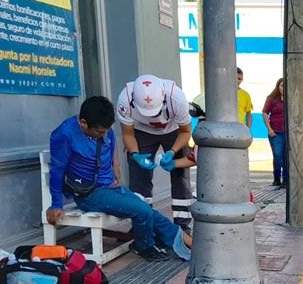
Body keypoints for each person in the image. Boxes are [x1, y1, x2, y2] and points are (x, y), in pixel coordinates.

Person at [47, 96, 192, 262]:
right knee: (143, 211)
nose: (104, 135)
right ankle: (144, 246)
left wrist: (116, 167)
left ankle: (186, 242)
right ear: (83, 123)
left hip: (111, 187)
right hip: (89, 194)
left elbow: (111, 142)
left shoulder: (103, 129)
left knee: (148, 211)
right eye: (100, 132)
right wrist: (56, 204)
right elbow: (57, 170)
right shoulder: (64, 134)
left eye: (106, 130)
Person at [116, 74, 194, 233]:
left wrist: (172, 151)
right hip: (141, 131)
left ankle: (182, 226)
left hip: (174, 131)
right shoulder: (125, 99)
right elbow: (128, 134)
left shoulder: (176, 98)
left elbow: (186, 132)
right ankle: (142, 224)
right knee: (139, 178)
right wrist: (135, 154)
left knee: (180, 175)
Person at [262, 78, 285, 187]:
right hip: (275, 132)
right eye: (282, 85)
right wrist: (269, 129)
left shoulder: (291, 99)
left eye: (286, 86)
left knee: (286, 157)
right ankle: (277, 179)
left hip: (288, 133)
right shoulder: (271, 98)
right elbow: (265, 113)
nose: (284, 88)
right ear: (278, 86)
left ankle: (286, 180)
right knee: (277, 155)